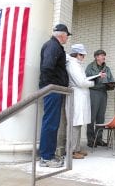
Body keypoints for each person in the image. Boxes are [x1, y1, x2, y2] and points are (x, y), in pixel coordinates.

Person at [38, 24, 70, 167]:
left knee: (52, 123)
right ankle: (46, 157)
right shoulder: (53, 46)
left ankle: (47, 154)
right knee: (51, 123)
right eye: (67, 35)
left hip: (55, 89)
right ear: (62, 35)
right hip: (52, 90)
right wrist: (50, 87)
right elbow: (46, 67)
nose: (67, 38)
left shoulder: (55, 46)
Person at [65, 44, 105, 159]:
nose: (83, 57)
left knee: (79, 122)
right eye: (82, 55)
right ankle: (72, 151)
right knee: (75, 123)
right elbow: (81, 82)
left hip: (80, 96)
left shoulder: (77, 64)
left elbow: (82, 80)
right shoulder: (72, 65)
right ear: (77, 54)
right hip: (76, 95)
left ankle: (76, 148)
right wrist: (95, 82)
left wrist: (95, 77)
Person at [86, 49, 114, 148]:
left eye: (104, 55)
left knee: (101, 117)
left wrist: (111, 84)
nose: (104, 57)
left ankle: (99, 139)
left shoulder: (107, 68)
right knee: (91, 117)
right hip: (93, 92)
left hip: (103, 93)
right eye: (102, 55)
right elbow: (86, 79)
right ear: (96, 57)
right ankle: (90, 140)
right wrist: (98, 76)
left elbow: (111, 80)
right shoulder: (90, 67)